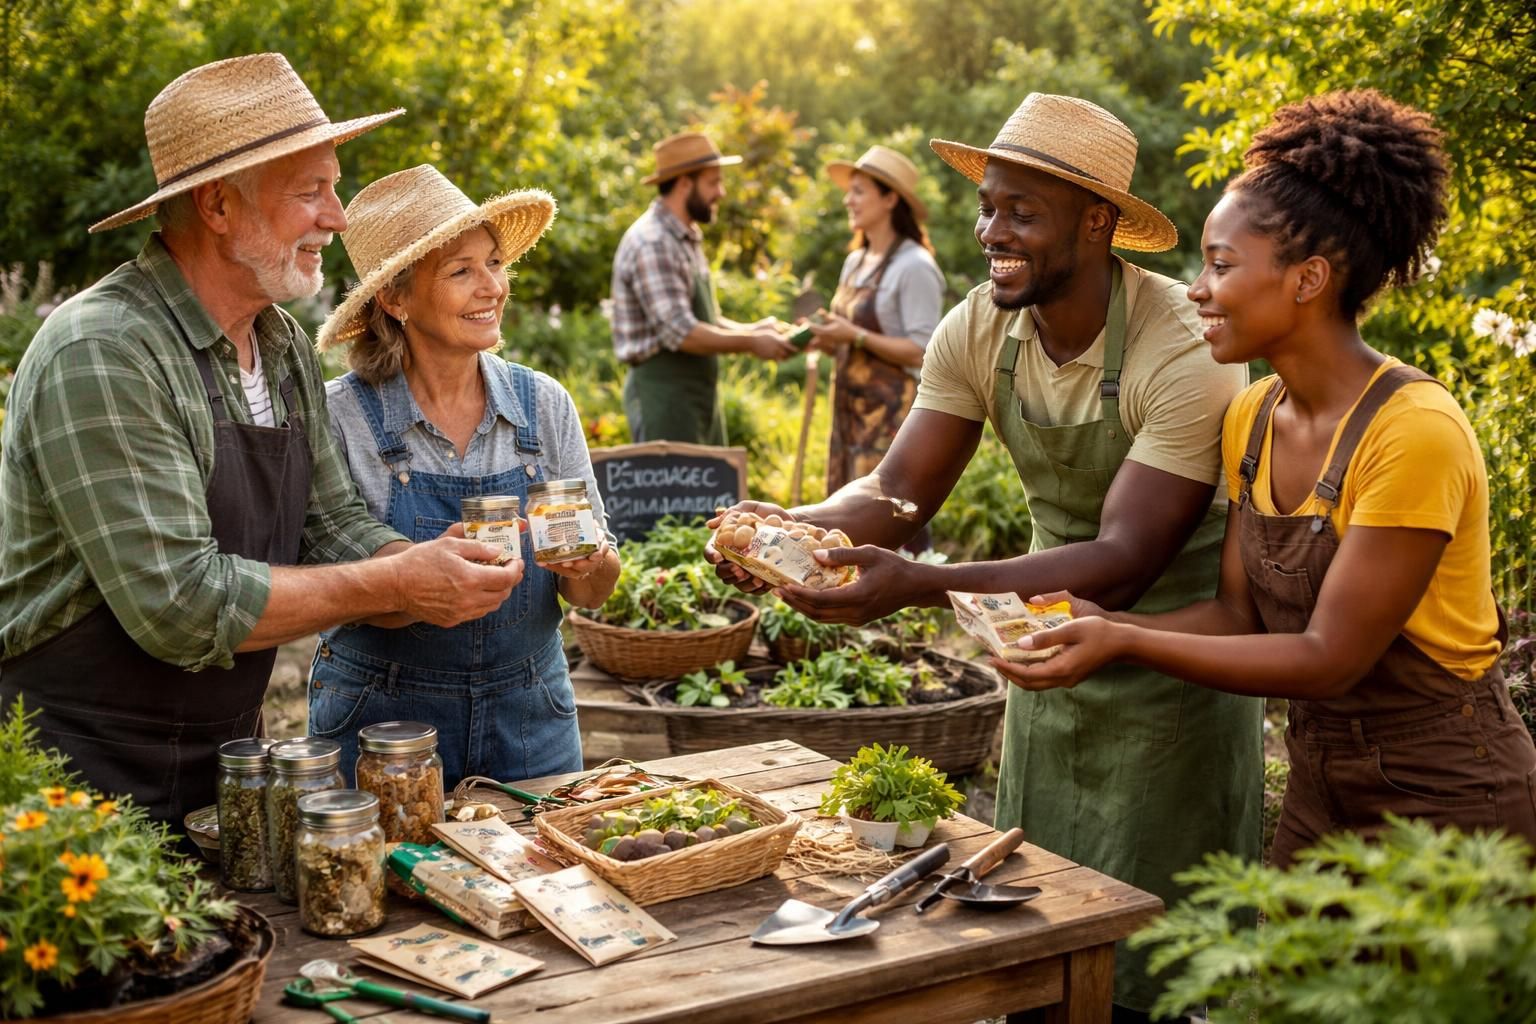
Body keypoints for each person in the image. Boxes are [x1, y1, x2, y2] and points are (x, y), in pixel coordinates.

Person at [710, 93, 1263, 1019]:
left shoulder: (1183, 344)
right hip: (1040, 648)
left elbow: (1124, 558)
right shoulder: (982, 326)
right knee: (1040, 937)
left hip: (1170, 661)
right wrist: (792, 533)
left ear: (1098, 222)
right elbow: (898, 495)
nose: (990, 231)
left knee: (1161, 965)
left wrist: (921, 585)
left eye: (1022, 212)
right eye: (988, 206)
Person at [997, 91, 1536, 867]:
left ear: (1308, 279)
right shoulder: (1251, 418)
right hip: (1323, 779)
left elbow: (1328, 656)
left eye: (1220, 265)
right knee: (1289, 988)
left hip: (1451, 792)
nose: (1196, 289)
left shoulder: (1414, 433)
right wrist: (1093, 623)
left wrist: (1122, 640)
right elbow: (1235, 617)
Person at [0, 54, 521, 826]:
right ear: (216, 205)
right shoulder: (104, 350)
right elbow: (179, 604)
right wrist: (397, 584)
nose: (339, 218)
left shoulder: (277, 345)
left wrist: (421, 565)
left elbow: (329, 524)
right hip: (74, 781)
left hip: (224, 762)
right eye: (311, 191)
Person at [311, 165, 620, 785]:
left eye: (495, 263)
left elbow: (591, 592)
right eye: (460, 271)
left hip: (531, 712)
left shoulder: (544, 405)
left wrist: (589, 566)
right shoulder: (340, 417)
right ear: (395, 300)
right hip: (385, 720)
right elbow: (333, 590)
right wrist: (417, 587)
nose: (492, 288)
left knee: (542, 879)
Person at [610, 130, 795, 445]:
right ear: (684, 183)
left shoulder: (685, 236)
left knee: (709, 491)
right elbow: (681, 332)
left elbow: (706, 320)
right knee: (669, 492)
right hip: (664, 399)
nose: (721, 193)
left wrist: (755, 328)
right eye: (713, 183)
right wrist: (752, 342)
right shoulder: (654, 242)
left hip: (692, 397)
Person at [809, 145, 945, 499]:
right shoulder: (855, 261)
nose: (847, 201)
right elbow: (850, 338)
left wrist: (853, 335)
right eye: (848, 192)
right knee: (841, 519)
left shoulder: (915, 266)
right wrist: (822, 337)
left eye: (859, 192)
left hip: (890, 424)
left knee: (885, 514)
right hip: (848, 419)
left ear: (890, 200)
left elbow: (922, 352)